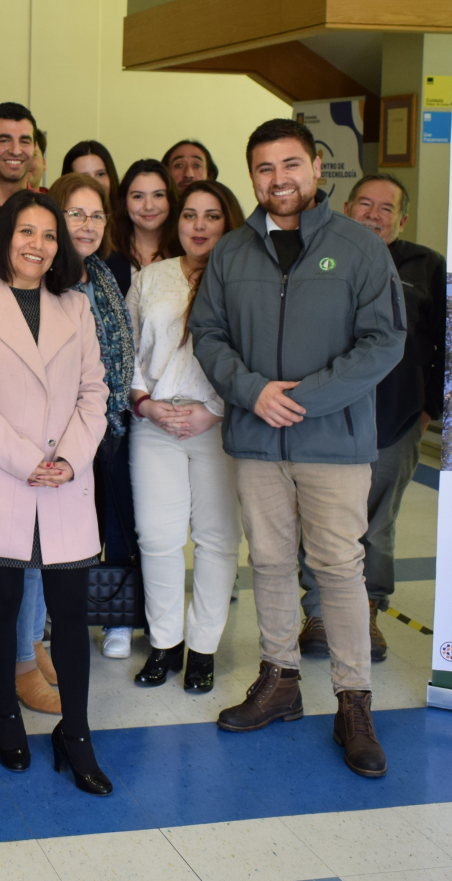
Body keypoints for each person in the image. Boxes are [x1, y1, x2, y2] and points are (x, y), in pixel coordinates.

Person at [188, 118, 405, 778]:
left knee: (339, 568)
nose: (278, 180)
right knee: (274, 564)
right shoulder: (232, 252)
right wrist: (253, 392)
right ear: (251, 176)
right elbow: (208, 334)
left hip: (332, 441)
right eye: (263, 168)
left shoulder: (360, 248)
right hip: (257, 438)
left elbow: (383, 342)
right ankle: (280, 680)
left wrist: (305, 398)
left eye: (290, 165)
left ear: (315, 167)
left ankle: (353, 701)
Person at [0, 190, 111, 793]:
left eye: (49, 236)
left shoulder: (77, 307)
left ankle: (78, 733)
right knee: (3, 605)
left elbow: (95, 393)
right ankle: (7, 716)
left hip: (63, 479)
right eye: (26, 232)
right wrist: (26, 459)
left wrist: (65, 458)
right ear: (5, 236)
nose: (38, 245)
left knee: (69, 614)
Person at [298, 174, 443, 662]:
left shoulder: (427, 267)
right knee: (320, 521)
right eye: (365, 203)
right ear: (346, 207)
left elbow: (450, 347)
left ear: (402, 220)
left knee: (377, 525)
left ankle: (369, 610)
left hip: (395, 421)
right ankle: (318, 612)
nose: (374, 214)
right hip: (324, 419)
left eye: (387, 208)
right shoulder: (319, 253)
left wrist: (429, 412)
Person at [126, 179, 246, 692]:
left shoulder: (247, 279)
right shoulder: (151, 278)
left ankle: (203, 649)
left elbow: (255, 358)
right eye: (190, 215)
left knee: (217, 539)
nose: (199, 226)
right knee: (158, 537)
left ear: (229, 222)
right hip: (153, 423)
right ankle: (165, 643)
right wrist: (146, 403)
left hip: (219, 423)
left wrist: (214, 411)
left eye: (212, 216)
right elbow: (124, 349)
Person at [52, 172, 138, 661]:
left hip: (112, 423)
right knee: (63, 532)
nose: (87, 225)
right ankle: (49, 620)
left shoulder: (104, 273)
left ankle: (115, 618)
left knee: (116, 522)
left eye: (97, 215)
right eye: (76, 214)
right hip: (60, 430)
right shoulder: (44, 275)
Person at [105, 158, 179, 293]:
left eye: (158, 195)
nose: (149, 206)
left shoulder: (185, 251)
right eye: (138, 196)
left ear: (170, 200)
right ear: (125, 203)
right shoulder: (107, 256)